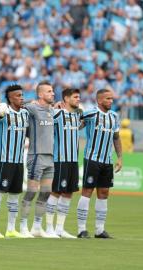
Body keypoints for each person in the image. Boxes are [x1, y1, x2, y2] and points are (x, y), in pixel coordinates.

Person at [76, 89, 123, 239]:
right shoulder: (90, 113)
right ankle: (81, 229)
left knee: (104, 193)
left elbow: (116, 137)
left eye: (112, 98)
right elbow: (77, 123)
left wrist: (120, 157)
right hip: (92, 159)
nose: (111, 101)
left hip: (107, 161)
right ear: (99, 100)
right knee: (87, 192)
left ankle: (99, 229)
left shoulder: (114, 116)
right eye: (108, 98)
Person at [0, 84, 29, 238]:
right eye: (18, 96)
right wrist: (1, 107)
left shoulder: (24, 113)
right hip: (3, 160)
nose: (21, 98)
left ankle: (11, 229)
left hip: (19, 161)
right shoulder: (4, 112)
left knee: (14, 195)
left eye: (22, 95)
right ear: (10, 98)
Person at [19, 81, 57, 238]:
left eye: (53, 90)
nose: (53, 93)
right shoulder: (33, 108)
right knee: (32, 192)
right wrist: (29, 102)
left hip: (50, 157)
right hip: (36, 156)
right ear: (40, 94)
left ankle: (36, 227)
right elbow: (18, 106)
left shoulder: (52, 111)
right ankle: (22, 226)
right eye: (49, 91)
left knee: (46, 193)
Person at [47, 88, 82, 239]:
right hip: (60, 159)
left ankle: (60, 229)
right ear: (66, 99)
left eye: (79, 97)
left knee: (68, 193)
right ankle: (49, 228)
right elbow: (43, 119)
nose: (78, 99)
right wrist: (52, 108)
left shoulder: (76, 116)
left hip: (73, 159)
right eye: (75, 97)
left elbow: (82, 123)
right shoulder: (58, 114)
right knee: (56, 191)